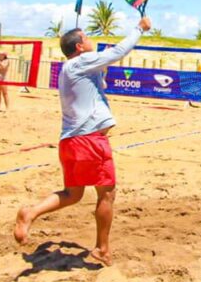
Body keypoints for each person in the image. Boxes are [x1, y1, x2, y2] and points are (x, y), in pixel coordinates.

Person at [13, 17, 151, 265]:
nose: (91, 40)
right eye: (86, 38)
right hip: (90, 141)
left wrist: (102, 71)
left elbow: (95, 86)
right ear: (78, 47)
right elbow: (120, 51)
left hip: (70, 141)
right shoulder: (82, 62)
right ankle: (102, 249)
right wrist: (139, 29)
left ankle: (31, 212)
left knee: (72, 194)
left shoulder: (70, 69)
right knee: (107, 194)